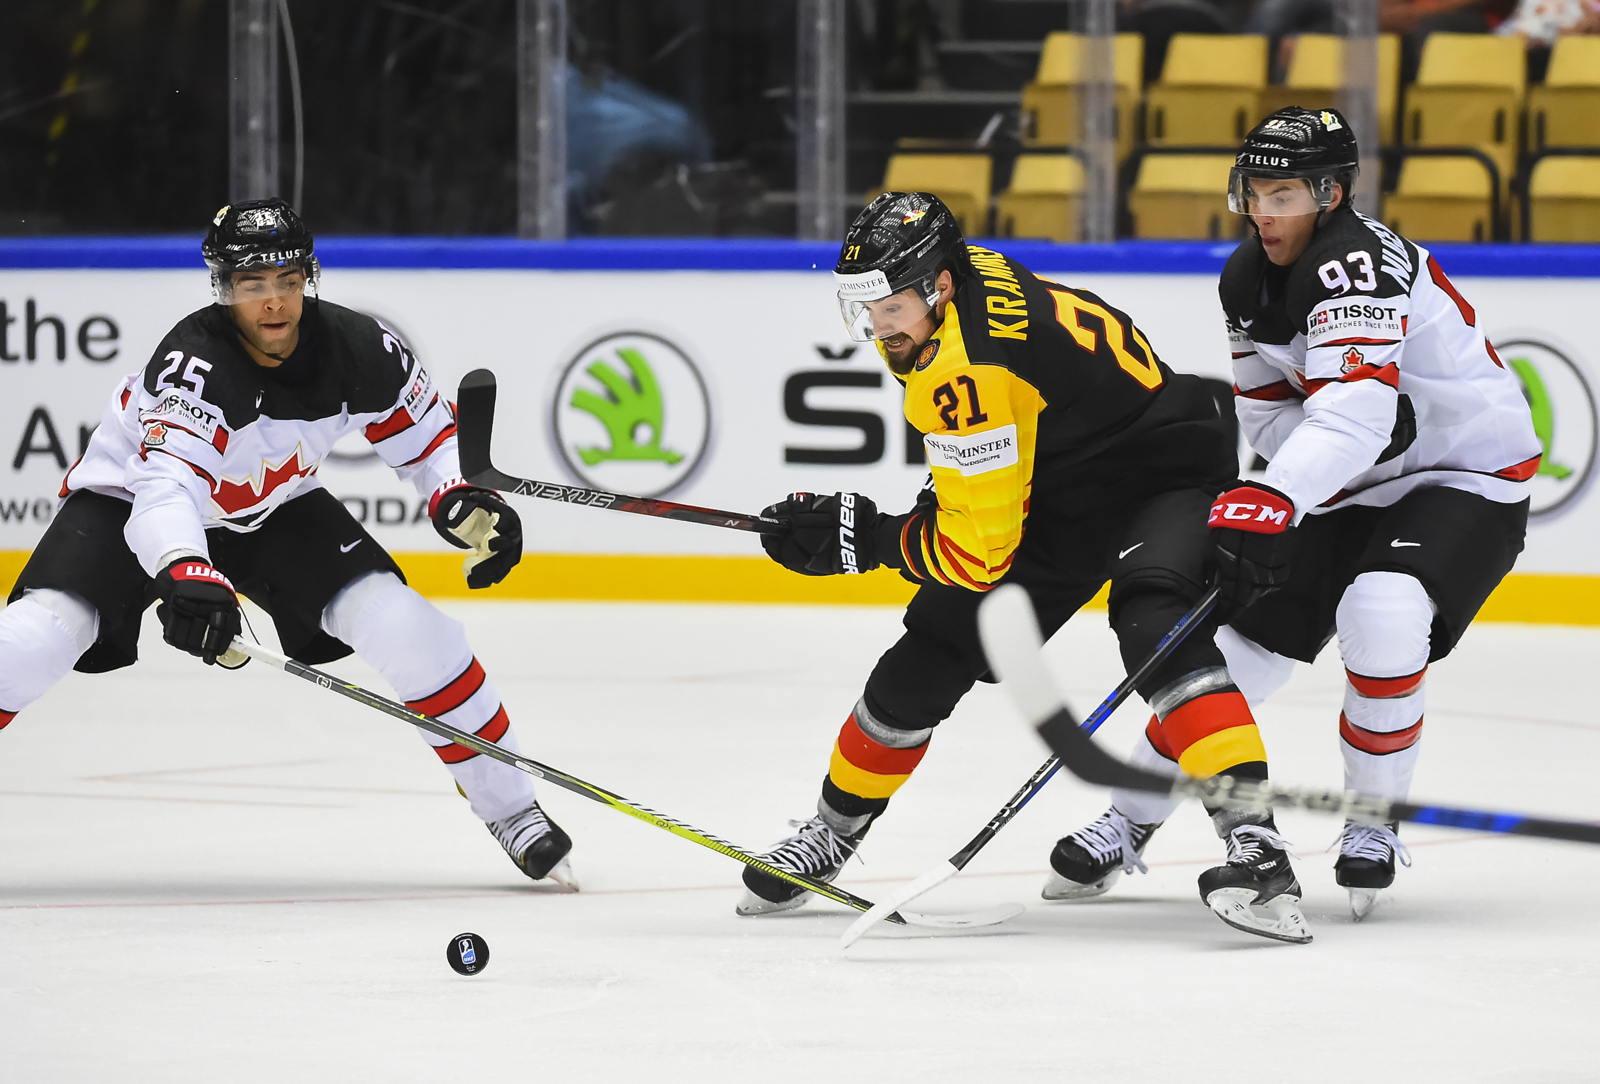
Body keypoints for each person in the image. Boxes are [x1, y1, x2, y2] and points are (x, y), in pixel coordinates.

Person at [740, 191, 1313, 944]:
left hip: (1161, 469)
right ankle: (830, 833)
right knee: (935, 646)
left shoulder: (960, 366)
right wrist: (900, 522)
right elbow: (998, 450)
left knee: (1155, 624)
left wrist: (869, 541)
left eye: (888, 307)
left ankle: (1258, 850)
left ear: (937, 286)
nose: (877, 328)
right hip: (1060, 478)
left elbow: (977, 552)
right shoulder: (960, 279)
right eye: (863, 306)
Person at [0, 199, 576, 890]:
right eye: (252, 285)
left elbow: (428, 439)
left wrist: (458, 496)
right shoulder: (196, 361)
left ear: (309, 275)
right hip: (130, 504)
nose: (273, 302)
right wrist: (186, 567)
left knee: (414, 631)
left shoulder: (358, 345)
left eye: (286, 279)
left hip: (270, 510)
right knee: (32, 642)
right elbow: (165, 492)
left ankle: (512, 810)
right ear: (223, 289)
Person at [1099, 107, 1538, 921]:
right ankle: (1130, 815)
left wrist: (1272, 493)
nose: (1264, 211)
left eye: (1285, 192)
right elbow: (1272, 420)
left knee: (1384, 608)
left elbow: (1357, 421)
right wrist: (1290, 481)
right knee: (1239, 648)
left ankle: (1372, 822)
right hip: (1351, 480)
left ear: (1331, 193)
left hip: (1465, 473)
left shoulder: (1357, 265)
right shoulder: (1244, 279)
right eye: (1254, 190)